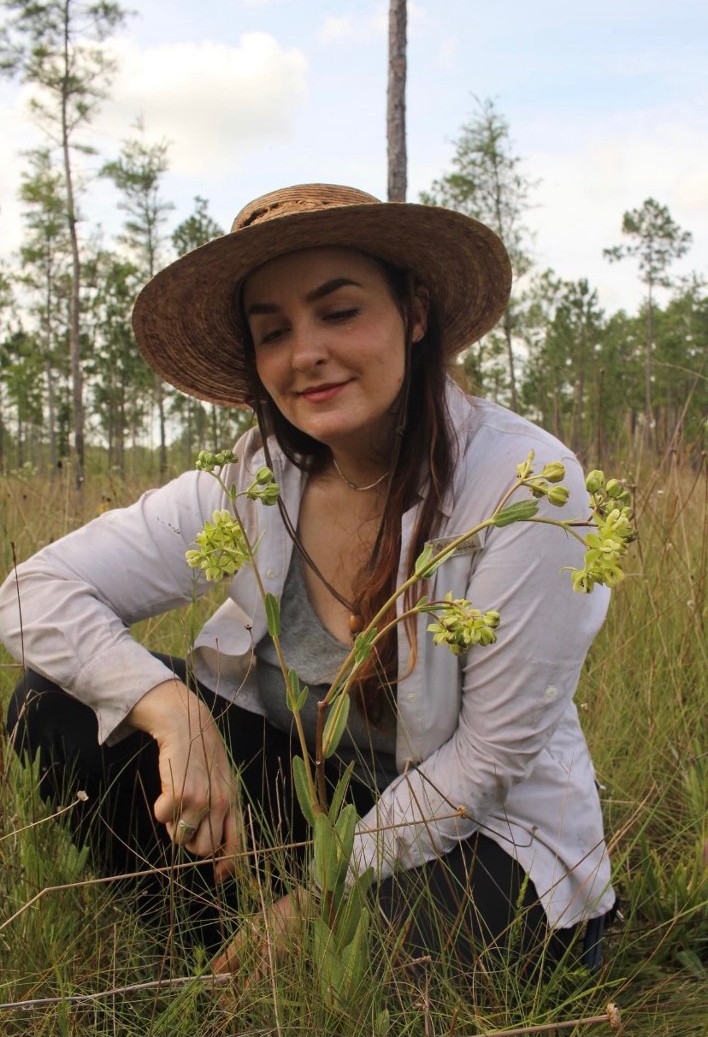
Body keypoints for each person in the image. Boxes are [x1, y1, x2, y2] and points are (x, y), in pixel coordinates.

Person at [0, 184, 615, 980]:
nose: (306, 354)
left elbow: (488, 760)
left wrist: (324, 890)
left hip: (480, 830)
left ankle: (283, 941)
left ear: (414, 312)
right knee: (52, 706)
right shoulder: (254, 482)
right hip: (322, 794)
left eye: (339, 312)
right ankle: (207, 946)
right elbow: (30, 591)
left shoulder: (523, 487)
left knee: (365, 974)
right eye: (274, 331)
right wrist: (170, 710)